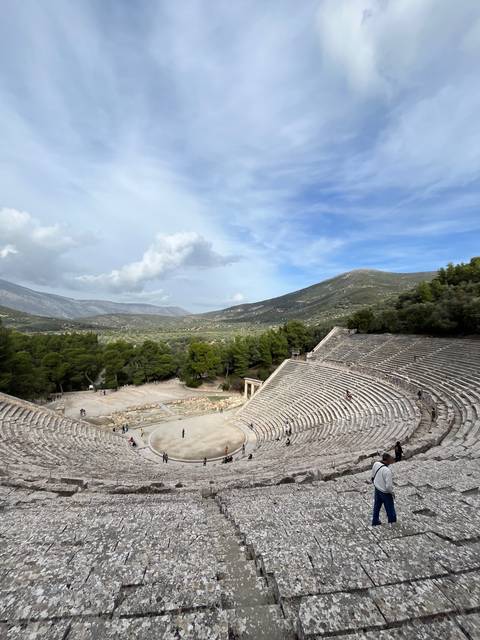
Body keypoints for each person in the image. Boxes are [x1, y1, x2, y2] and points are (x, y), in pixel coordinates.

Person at [371, 453, 397, 526]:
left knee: (376, 506)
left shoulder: (376, 464)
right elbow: (388, 486)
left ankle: (375, 521)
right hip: (385, 492)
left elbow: (373, 475)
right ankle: (392, 523)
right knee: (390, 508)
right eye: (391, 459)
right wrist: (392, 493)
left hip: (377, 488)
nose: (392, 460)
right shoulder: (387, 471)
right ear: (388, 459)